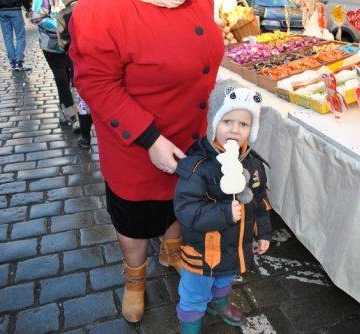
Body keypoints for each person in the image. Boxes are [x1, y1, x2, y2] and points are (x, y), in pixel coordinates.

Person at [68, 0, 224, 323]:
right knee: (134, 220)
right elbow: (95, 83)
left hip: (187, 138)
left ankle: (170, 250)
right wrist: (150, 139)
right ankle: (135, 279)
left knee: (179, 203)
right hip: (135, 147)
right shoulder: (99, 9)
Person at [174, 79, 272, 333]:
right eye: (227, 121)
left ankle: (219, 302)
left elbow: (260, 201)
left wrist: (263, 232)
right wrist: (224, 213)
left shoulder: (253, 164)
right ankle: (191, 325)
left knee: (225, 278)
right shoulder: (198, 166)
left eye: (244, 124)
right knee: (194, 292)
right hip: (204, 251)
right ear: (213, 123)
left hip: (235, 247)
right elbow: (186, 211)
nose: (235, 130)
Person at [30, 0, 79, 129]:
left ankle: (63, 115)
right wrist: (61, 26)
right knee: (61, 79)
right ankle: (71, 115)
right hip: (51, 45)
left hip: (71, 42)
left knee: (68, 77)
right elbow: (36, 18)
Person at [56, 0, 92, 149]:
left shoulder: (64, 14)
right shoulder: (94, 7)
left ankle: (85, 138)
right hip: (104, 61)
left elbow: (63, 43)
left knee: (84, 102)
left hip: (80, 63)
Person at [0, 0, 32, 70]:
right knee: (20, 36)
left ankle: (13, 61)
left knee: (7, 37)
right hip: (15, 10)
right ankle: (19, 61)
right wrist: (28, 8)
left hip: (2, 10)